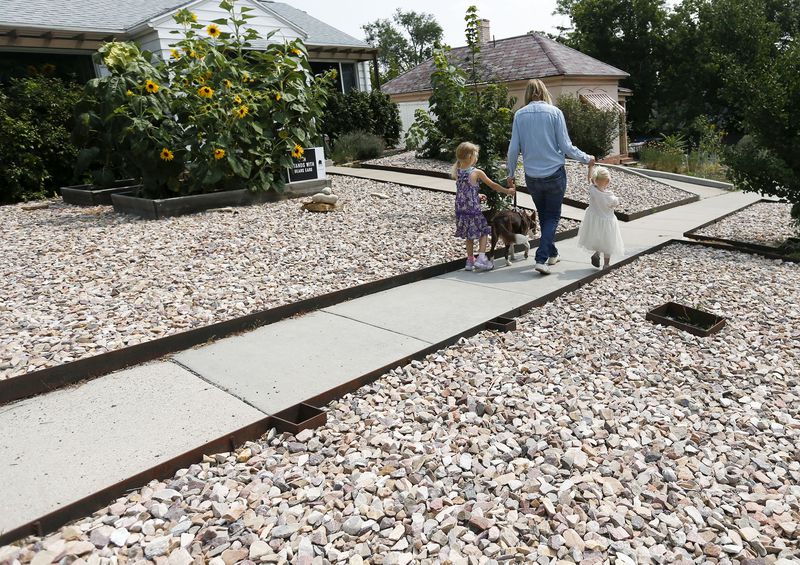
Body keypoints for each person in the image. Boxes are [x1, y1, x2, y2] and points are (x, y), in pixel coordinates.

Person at [506, 79, 595, 275]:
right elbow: (565, 146)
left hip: (532, 176)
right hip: (554, 173)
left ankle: (552, 253)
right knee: (552, 217)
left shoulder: (520, 115)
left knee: (545, 217)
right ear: (544, 92)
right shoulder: (555, 113)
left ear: (528, 94)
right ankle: (541, 258)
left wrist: (510, 173)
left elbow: (513, 149)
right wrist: (586, 158)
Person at [453, 142, 516, 271]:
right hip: (473, 209)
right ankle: (481, 259)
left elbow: (464, 190)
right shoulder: (476, 172)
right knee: (484, 231)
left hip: (461, 209)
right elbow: (493, 185)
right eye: (476, 155)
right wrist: (507, 191)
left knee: (469, 235)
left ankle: (470, 261)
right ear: (470, 156)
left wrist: (477, 195)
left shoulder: (458, 171)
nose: (477, 158)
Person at [577, 166, 625, 269]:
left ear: (595, 179)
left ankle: (597, 253)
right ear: (608, 181)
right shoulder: (611, 197)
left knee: (597, 237)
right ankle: (606, 264)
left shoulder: (593, 190)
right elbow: (615, 204)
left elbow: (589, 179)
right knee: (608, 243)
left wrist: (590, 167)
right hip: (608, 222)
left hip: (594, 220)